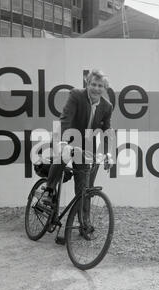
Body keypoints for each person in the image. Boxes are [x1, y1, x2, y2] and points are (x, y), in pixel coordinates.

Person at [42, 69, 114, 211]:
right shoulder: (76, 95)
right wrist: (63, 142)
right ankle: (49, 191)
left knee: (84, 188)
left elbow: (107, 131)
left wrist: (108, 154)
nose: (96, 88)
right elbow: (66, 119)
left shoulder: (107, 106)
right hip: (66, 136)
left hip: (85, 144)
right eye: (93, 84)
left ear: (104, 88)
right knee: (64, 154)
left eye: (100, 86)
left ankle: (83, 223)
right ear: (87, 84)